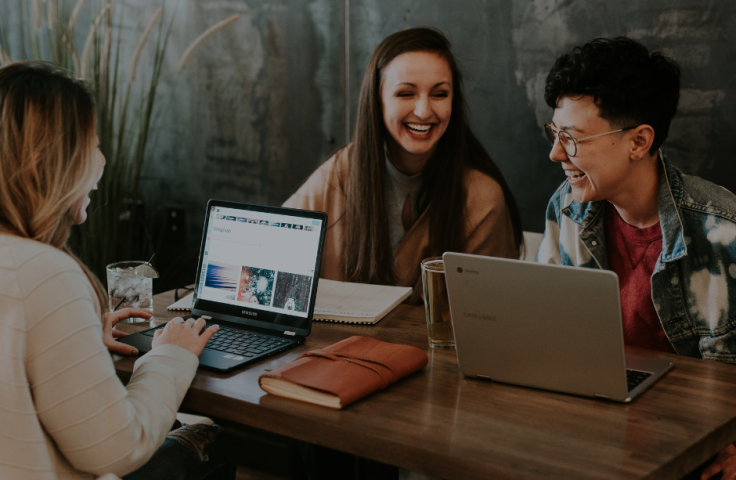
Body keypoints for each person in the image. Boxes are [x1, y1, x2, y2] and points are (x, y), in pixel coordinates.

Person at [0, 62, 234, 479]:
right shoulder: (44, 272)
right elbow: (115, 450)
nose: (102, 160)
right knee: (208, 443)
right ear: (40, 165)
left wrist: (77, 335)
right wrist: (169, 357)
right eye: (89, 145)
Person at [536, 37, 736, 480]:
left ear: (638, 141)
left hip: (690, 445)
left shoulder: (723, 231)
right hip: (593, 433)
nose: (556, 154)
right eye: (555, 134)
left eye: (572, 139)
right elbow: (544, 337)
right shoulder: (565, 209)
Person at [284, 27, 523, 304]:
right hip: (334, 346)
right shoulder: (341, 171)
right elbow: (272, 248)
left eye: (440, 94)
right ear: (378, 100)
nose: (424, 111)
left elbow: (492, 315)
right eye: (405, 94)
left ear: (453, 102)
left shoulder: (482, 197)